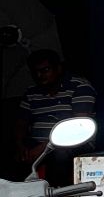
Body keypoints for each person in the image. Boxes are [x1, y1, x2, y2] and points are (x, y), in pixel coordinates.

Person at [16, 50, 96, 184]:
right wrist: (20, 146)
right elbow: (20, 124)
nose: (39, 75)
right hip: (38, 144)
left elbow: (78, 127)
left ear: (58, 69)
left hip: (73, 143)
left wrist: (42, 149)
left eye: (45, 70)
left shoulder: (80, 87)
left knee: (60, 155)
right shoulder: (31, 92)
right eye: (35, 72)